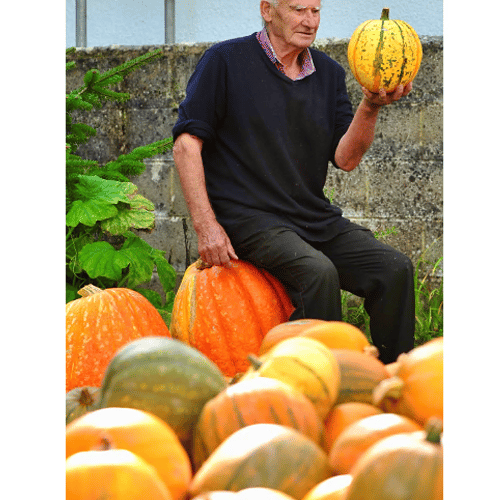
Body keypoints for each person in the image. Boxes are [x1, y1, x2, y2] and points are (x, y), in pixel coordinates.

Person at [171, 0, 416, 363]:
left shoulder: (329, 74)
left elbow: (346, 159)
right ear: (268, 10)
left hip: (310, 217)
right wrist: (206, 225)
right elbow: (186, 145)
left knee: (394, 269)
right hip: (247, 218)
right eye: (298, 9)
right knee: (318, 274)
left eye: (315, 11)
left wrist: (370, 105)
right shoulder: (224, 61)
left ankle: (395, 381)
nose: (309, 21)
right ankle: (320, 384)